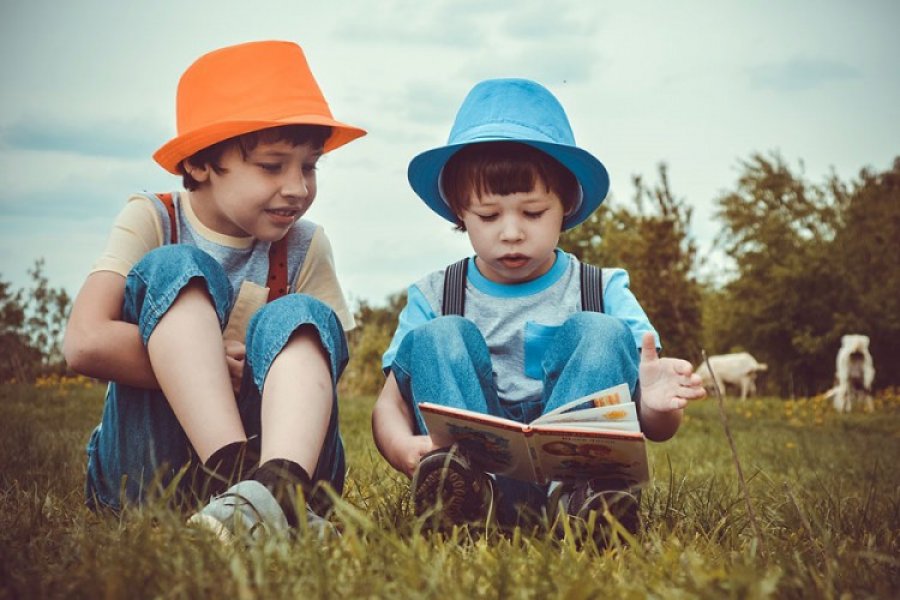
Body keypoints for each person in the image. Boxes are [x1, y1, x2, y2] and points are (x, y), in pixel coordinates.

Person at [371, 78, 706, 537]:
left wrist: (657, 405)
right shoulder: (434, 294)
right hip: (473, 476)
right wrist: (400, 447)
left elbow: (657, 426)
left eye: (532, 213)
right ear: (458, 211)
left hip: (577, 478)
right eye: (489, 216)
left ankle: (587, 507)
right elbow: (388, 404)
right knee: (438, 336)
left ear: (565, 204)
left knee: (601, 331)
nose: (511, 233)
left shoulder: (601, 288)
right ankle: (460, 502)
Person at [64, 40, 366, 540]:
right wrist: (201, 366)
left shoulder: (307, 244)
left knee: (301, 315)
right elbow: (85, 341)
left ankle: (279, 487)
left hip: (284, 454)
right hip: (150, 473)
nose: (297, 187)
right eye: (273, 166)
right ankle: (244, 485)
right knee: (175, 267)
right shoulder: (154, 218)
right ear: (201, 163)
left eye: (309, 166)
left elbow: (328, 359)